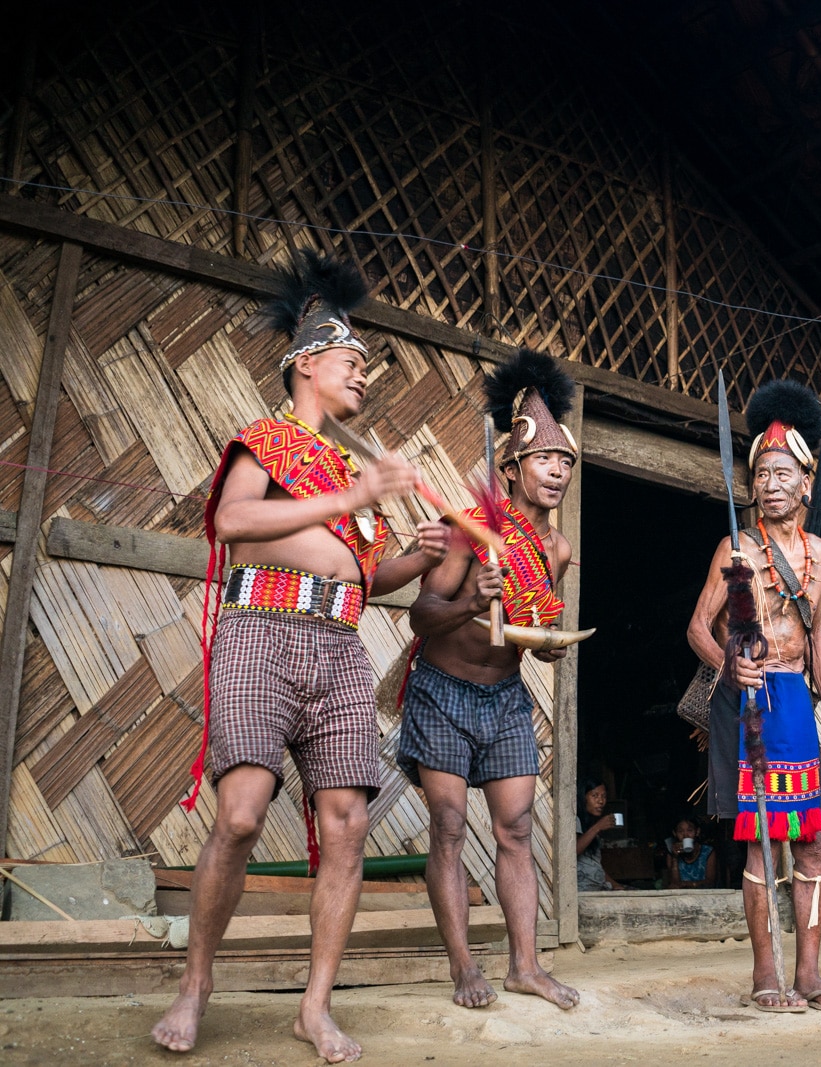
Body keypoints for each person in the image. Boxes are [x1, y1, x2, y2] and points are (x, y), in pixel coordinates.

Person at [153, 251, 449, 1061]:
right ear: (306, 365)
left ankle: (314, 1005)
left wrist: (418, 557)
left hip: (340, 646)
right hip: (260, 632)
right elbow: (232, 524)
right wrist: (354, 496)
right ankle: (196, 985)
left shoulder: (347, 469)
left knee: (348, 824)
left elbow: (361, 575)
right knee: (242, 814)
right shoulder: (266, 440)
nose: (365, 377)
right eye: (354, 363)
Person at [401, 347, 582, 1010]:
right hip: (442, 690)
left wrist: (551, 649)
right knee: (449, 826)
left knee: (516, 828)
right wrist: (474, 601)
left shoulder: (556, 550)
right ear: (511, 467)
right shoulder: (470, 532)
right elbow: (422, 614)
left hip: (506, 698)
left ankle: (525, 965)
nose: (557, 471)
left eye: (565, 461)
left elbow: (530, 640)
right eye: (544, 460)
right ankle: (462, 969)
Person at [687, 379, 821, 1013]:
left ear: (807, 483)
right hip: (750, 703)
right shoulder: (736, 549)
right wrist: (729, 662)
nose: (772, 483)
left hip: (797, 704)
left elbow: (817, 635)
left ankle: (808, 975)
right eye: (761, 473)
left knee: (810, 841)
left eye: (783, 472)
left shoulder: (817, 551)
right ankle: (766, 974)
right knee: (762, 837)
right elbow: (698, 627)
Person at [576, 778, 625, 891]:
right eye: (595, 795)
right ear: (583, 797)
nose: (601, 801)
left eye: (604, 796)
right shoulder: (574, 820)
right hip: (581, 889)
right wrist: (597, 827)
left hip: (598, 886)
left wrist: (615, 885)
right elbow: (572, 851)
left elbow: (595, 865)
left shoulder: (591, 826)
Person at [664, 817, 719, 889]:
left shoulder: (707, 852)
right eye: (680, 831)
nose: (685, 835)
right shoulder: (671, 854)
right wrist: (675, 857)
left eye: (689, 831)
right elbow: (675, 884)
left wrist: (688, 884)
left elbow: (710, 881)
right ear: (675, 833)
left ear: (697, 831)